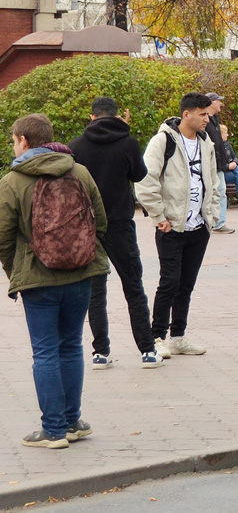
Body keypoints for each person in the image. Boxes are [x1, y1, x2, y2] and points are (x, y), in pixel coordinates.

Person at [0, 114, 108, 447]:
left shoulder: (13, 182)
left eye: (13, 139)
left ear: (23, 140)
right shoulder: (80, 171)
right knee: (72, 346)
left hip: (37, 279)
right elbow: (100, 223)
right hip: (81, 274)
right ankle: (73, 422)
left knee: (45, 352)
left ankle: (53, 430)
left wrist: (14, 269)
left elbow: (3, 237)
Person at [68, 98, 161, 370]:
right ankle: (147, 350)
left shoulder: (76, 146)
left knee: (95, 291)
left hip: (88, 226)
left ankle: (100, 353)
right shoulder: (128, 143)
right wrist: (125, 134)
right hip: (120, 224)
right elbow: (140, 174)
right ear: (118, 116)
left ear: (91, 115)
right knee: (133, 286)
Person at [138, 93, 220, 359]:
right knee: (169, 282)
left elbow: (214, 181)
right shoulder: (163, 141)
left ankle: (178, 337)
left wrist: (212, 215)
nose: (208, 119)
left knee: (187, 284)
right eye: (203, 114)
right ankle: (157, 336)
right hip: (171, 227)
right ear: (187, 114)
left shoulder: (206, 142)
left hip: (199, 227)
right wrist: (158, 216)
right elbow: (145, 181)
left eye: (209, 114)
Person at [204, 93, 238, 236]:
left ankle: (218, 222)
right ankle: (215, 223)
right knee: (215, 193)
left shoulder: (214, 120)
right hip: (211, 164)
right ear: (212, 103)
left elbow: (219, 144)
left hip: (218, 165)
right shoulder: (206, 120)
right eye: (219, 101)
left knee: (220, 192)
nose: (221, 104)